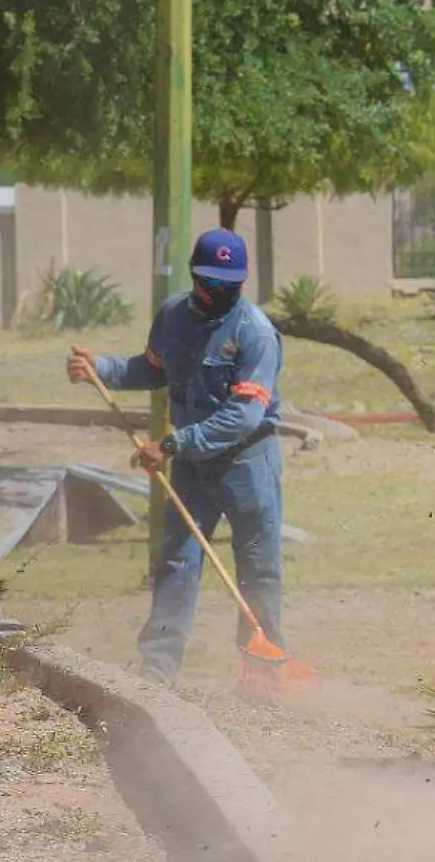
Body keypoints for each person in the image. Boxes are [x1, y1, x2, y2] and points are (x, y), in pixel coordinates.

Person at [65, 228, 288, 688]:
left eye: (232, 283)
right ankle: (157, 673)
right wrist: (100, 369)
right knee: (178, 563)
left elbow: (244, 417)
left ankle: (262, 676)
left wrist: (169, 445)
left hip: (247, 464)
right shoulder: (172, 317)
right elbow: (150, 369)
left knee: (257, 568)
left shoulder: (255, 333)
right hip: (192, 467)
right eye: (212, 282)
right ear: (194, 276)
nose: (222, 291)